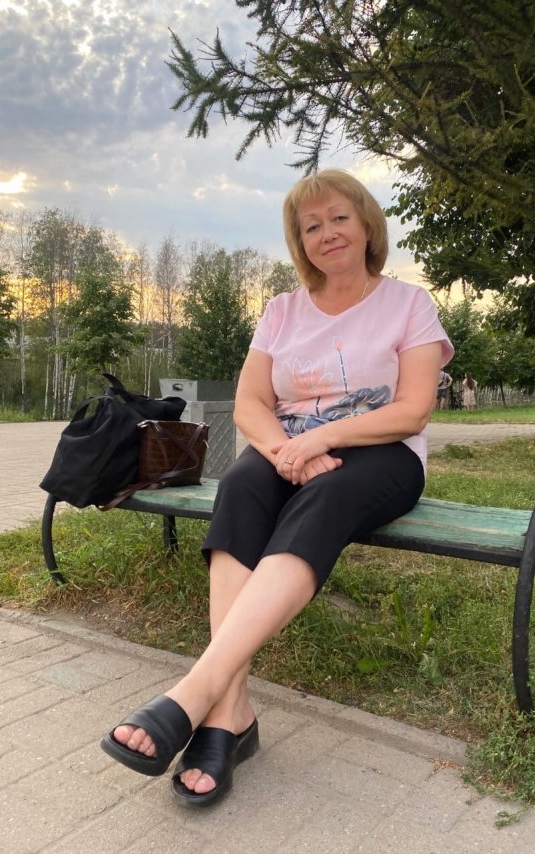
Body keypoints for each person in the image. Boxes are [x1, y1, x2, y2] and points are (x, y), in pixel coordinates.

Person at [100, 169, 453, 808]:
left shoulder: (408, 303)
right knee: (240, 484)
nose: (327, 233)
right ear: (300, 242)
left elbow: (413, 409)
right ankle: (229, 712)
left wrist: (320, 441)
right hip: (287, 449)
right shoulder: (281, 310)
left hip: (384, 454)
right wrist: (287, 450)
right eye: (311, 226)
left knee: (326, 496)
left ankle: (195, 694)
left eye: (338, 217)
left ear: (366, 224)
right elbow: (250, 404)